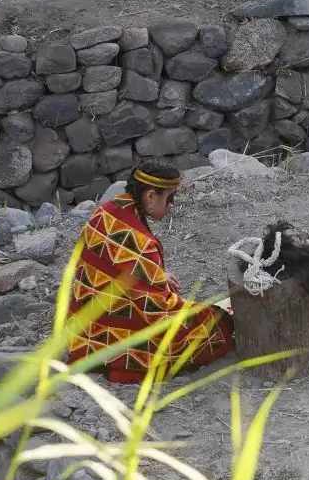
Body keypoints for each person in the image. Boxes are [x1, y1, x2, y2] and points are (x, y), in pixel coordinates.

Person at [67, 162, 235, 383]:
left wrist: (154, 275)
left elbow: (114, 264)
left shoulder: (107, 212)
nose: (172, 205)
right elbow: (159, 310)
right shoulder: (141, 244)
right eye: (169, 198)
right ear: (150, 197)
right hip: (111, 338)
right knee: (215, 328)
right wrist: (207, 313)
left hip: (81, 331)